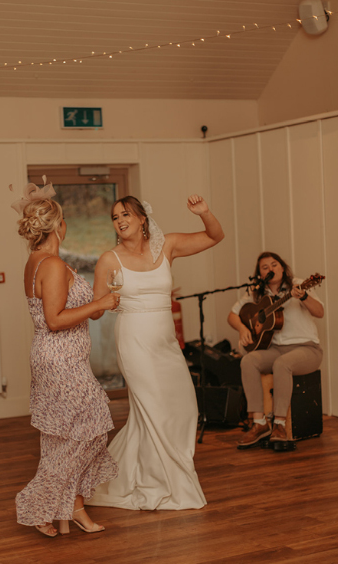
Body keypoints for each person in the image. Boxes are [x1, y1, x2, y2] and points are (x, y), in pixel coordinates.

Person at [87, 194, 224, 511]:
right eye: (115, 217)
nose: (120, 220)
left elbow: (215, 236)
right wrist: (99, 302)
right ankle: (162, 482)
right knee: (153, 411)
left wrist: (204, 212)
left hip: (165, 344)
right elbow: (96, 310)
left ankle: (130, 472)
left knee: (183, 408)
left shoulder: (168, 245)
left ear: (142, 218)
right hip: (134, 341)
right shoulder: (110, 259)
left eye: (126, 214)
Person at [11, 179, 120, 537]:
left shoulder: (36, 261)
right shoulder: (53, 265)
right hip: (60, 360)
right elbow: (56, 320)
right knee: (90, 429)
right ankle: (38, 503)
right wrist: (99, 304)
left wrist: (98, 304)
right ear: (59, 225)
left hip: (55, 357)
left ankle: (72, 509)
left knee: (63, 436)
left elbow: (69, 312)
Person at [229, 252, 324, 451]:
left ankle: (279, 425)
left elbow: (319, 312)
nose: (271, 269)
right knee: (248, 360)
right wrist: (242, 329)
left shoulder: (298, 285)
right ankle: (259, 422)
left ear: (282, 267)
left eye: (274, 264)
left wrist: (304, 296)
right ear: (260, 274)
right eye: (265, 267)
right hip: (275, 349)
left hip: (307, 349)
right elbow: (232, 315)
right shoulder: (256, 293)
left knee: (282, 364)